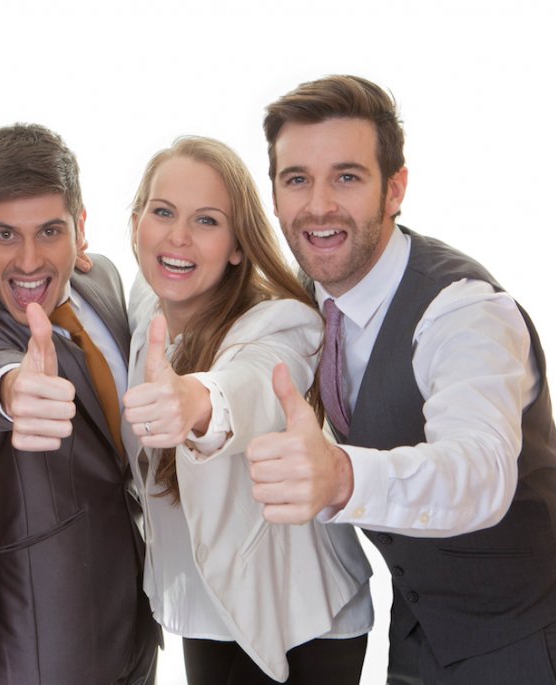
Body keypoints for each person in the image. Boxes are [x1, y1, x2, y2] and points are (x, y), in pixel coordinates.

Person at [247, 74, 556, 684]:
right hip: (415, 634)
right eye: (297, 179)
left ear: (395, 188)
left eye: (347, 177)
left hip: (531, 639)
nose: (318, 205)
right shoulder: (308, 295)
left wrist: (343, 476)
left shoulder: (464, 311)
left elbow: (481, 469)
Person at [122, 136, 372, 684]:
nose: (178, 236)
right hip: (210, 606)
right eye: (163, 212)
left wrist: (195, 402)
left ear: (238, 246)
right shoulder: (148, 306)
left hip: (299, 616)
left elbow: (250, 384)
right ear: (136, 221)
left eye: (207, 221)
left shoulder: (280, 323)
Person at [0, 123, 159, 685]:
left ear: (81, 227)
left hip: (136, 617)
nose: (28, 261)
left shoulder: (103, 279)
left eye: (50, 231)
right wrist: (12, 389)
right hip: (44, 640)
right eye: (5, 235)